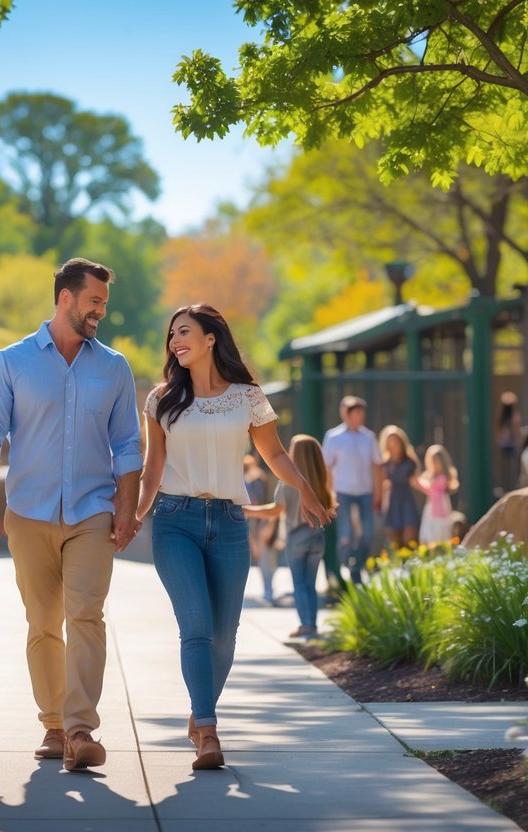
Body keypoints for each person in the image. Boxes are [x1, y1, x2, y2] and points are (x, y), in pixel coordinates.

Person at [136, 304, 332, 771]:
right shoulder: (161, 399)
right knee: (197, 627)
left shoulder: (247, 397)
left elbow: (276, 454)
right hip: (174, 520)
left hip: (228, 521)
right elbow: (152, 467)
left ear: (210, 339)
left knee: (225, 637)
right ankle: (207, 730)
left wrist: (305, 492)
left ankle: (198, 711)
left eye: (184, 332)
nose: (175, 341)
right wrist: (132, 518)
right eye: (171, 335)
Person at [0, 257, 142, 773]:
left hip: (92, 511)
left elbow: (128, 446)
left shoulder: (113, 367)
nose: (100, 313)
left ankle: (81, 728)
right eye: (94, 302)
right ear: (65, 298)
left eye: (104, 305)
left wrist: (127, 510)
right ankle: (52, 725)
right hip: (28, 512)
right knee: (43, 621)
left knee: (85, 614)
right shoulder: (12, 362)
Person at [244, 434, 335, 640]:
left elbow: (276, 510)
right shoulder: (321, 480)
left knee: (299, 584)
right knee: (310, 583)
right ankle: (311, 623)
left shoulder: (288, 480)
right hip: (317, 536)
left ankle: (306, 625)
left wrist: (248, 510)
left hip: (297, 536)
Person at [322, 396, 382, 584]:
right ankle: (343, 569)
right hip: (342, 492)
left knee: (368, 532)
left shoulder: (369, 437)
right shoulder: (334, 437)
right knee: (345, 534)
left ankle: (357, 566)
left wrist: (378, 493)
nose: (360, 416)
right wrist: (329, 494)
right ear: (346, 414)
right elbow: (327, 467)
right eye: (356, 413)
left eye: (362, 413)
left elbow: (377, 465)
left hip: (365, 492)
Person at [378, 425, 421, 549]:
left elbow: (416, 483)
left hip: (407, 502)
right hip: (392, 504)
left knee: (410, 542)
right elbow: (382, 485)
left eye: (395, 442)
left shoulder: (410, 463)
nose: (393, 446)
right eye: (390, 443)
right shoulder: (385, 465)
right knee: (394, 545)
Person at [243, 454, 276, 604]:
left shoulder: (258, 480)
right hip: (254, 520)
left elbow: (268, 500)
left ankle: (268, 590)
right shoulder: (251, 480)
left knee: (264, 558)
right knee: (263, 558)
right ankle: (268, 590)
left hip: (259, 519)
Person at [414, 444, 459, 545]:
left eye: (437, 461)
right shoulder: (432, 477)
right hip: (431, 508)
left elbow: (432, 488)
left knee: (441, 531)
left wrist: (419, 483)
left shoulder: (443, 478)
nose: (435, 464)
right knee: (429, 531)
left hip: (441, 508)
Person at [496, 392, 522, 493]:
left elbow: (498, 431)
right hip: (511, 444)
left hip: (504, 444)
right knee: (512, 467)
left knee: (506, 467)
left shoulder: (502, 416)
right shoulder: (514, 416)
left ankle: (507, 487)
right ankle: (511, 487)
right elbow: (515, 431)